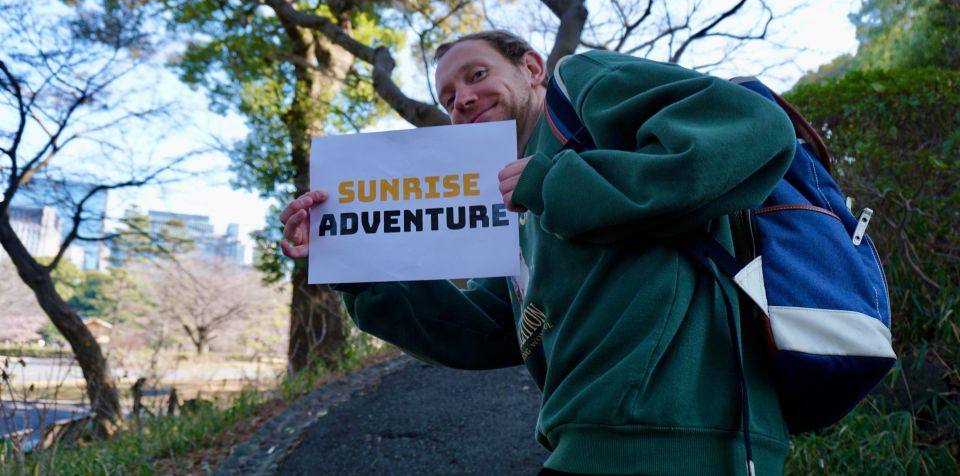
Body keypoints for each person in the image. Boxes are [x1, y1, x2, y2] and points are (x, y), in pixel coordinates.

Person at [279, 31, 797, 475]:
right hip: (584, 440)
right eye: (447, 97)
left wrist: (556, 186)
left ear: (531, 67)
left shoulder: (582, 81)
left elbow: (755, 128)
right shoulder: (513, 200)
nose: (461, 98)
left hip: (681, 434)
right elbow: (491, 329)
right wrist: (355, 264)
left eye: (477, 74)